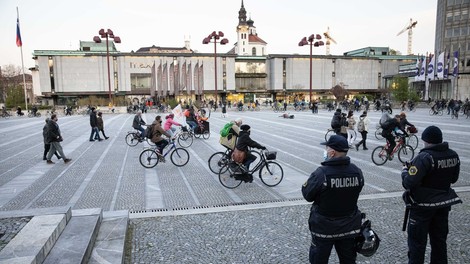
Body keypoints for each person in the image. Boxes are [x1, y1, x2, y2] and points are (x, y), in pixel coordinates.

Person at [401, 126, 461, 264]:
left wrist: (405, 171)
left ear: (426, 141)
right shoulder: (453, 155)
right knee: (439, 241)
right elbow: (454, 179)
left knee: (417, 244)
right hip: (443, 205)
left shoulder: (424, 157)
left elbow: (409, 182)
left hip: (422, 206)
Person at [302, 135, 364, 263]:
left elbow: (307, 195)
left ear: (332, 152)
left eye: (326, 148)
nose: (325, 150)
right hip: (349, 226)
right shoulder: (357, 172)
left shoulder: (321, 173)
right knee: (348, 260)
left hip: (324, 228)